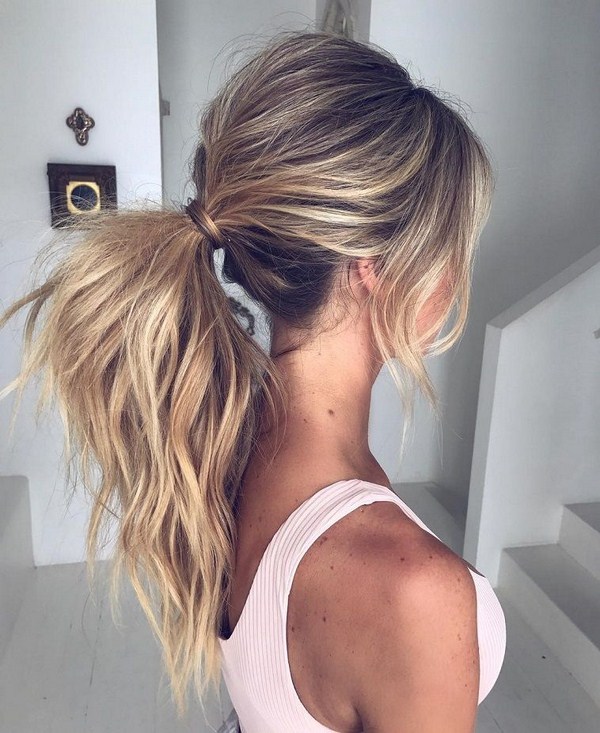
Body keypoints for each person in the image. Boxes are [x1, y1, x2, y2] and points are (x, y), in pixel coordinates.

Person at [0, 29, 505, 733]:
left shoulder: (227, 436)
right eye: (450, 248)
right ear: (374, 268)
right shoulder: (413, 593)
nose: (455, 278)